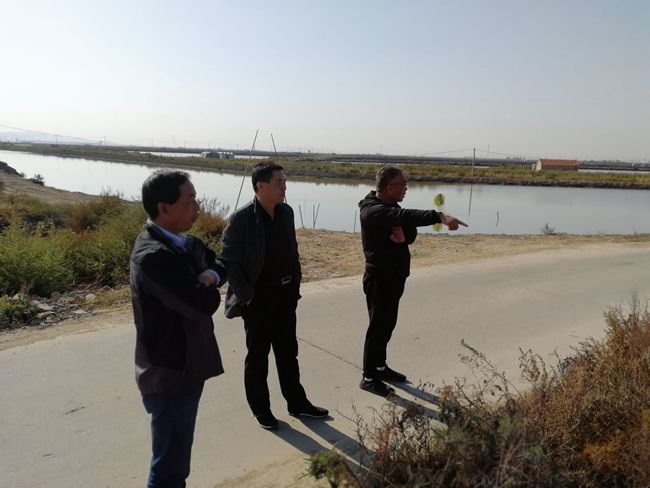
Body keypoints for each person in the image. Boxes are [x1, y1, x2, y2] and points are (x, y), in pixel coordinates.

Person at [130, 170, 227, 488]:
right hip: (170, 372)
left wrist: (210, 276)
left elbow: (220, 263)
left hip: (186, 366)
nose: (197, 206)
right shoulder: (153, 256)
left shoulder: (184, 243)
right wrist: (207, 286)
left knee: (175, 460)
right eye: (190, 199)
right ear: (164, 207)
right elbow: (202, 304)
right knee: (170, 468)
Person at [221, 162, 328, 430]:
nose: (284, 187)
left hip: (285, 295)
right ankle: (261, 410)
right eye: (279, 182)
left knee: (288, 352)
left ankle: (297, 403)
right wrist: (247, 295)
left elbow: (293, 252)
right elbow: (229, 261)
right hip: (257, 299)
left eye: (284, 181)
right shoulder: (241, 219)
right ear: (260, 186)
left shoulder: (286, 212)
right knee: (258, 356)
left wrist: (295, 284)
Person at [358, 166, 467, 397]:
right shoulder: (373, 210)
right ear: (390, 188)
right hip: (379, 279)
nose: (406, 188)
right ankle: (368, 378)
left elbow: (410, 231)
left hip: (395, 277)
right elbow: (404, 218)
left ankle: (380, 367)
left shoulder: (391, 207)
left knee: (387, 325)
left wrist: (403, 238)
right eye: (403, 184)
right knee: (377, 329)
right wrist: (439, 216)